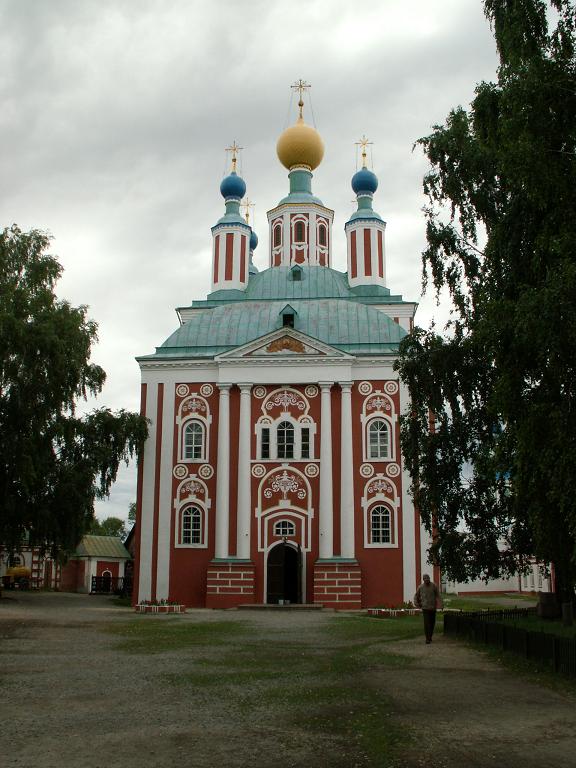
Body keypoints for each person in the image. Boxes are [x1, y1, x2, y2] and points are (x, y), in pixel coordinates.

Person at [414, 574, 442, 644]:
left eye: (428, 578)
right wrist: (416, 603)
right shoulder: (420, 587)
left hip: (433, 608)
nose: (427, 580)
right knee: (427, 623)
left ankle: (430, 636)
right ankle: (427, 638)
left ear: (429, 578)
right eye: (425, 579)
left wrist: (441, 604)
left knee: (432, 623)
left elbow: (438, 595)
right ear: (423, 580)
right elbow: (416, 596)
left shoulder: (434, 586)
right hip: (425, 608)